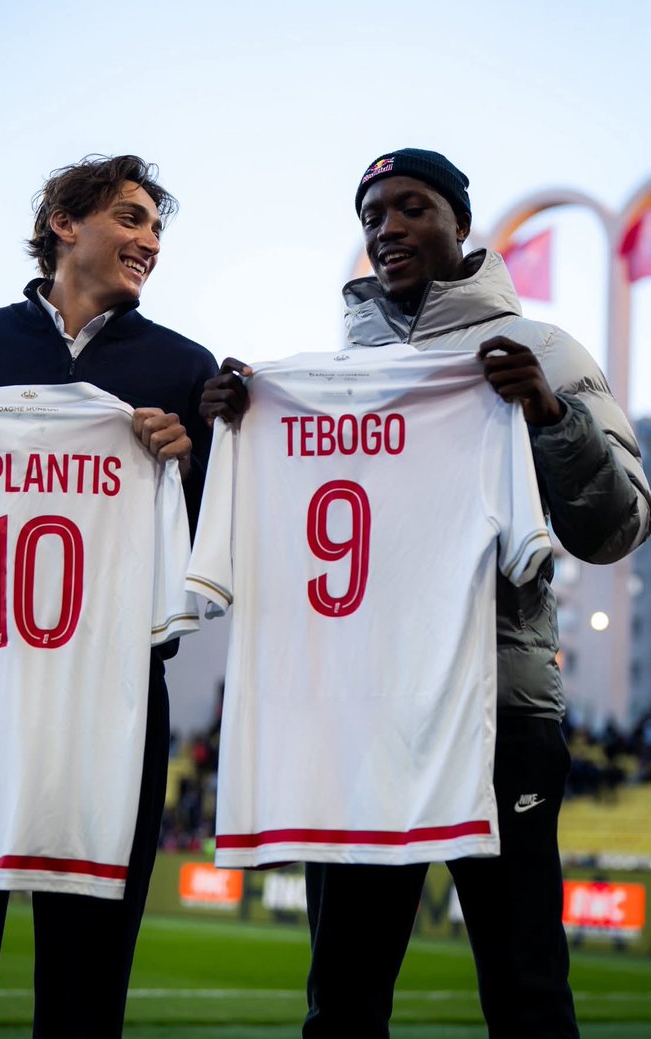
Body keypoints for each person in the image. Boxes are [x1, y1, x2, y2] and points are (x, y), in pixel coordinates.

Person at [200, 147, 651, 1039]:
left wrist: (549, 418)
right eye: (373, 215)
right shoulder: (328, 379)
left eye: (412, 207)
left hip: (499, 713)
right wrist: (240, 430)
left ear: (460, 223)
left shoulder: (541, 351)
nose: (388, 228)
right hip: (361, 713)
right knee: (343, 995)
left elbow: (618, 525)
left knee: (526, 986)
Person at [0, 154, 218, 1039]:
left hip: (115, 695)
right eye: (133, 219)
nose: (150, 242)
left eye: (157, 230)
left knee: (87, 971)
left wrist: (187, 460)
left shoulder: (182, 367)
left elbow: (213, 545)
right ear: (65, 220)